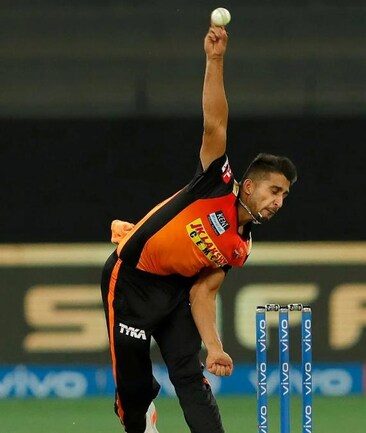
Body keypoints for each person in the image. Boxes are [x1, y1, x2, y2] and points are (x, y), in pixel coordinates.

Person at [100, 24, 297, 433]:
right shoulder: (216, 184)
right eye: (274, 191)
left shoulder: (239, 245)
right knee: (134, 393)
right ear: (249, 185)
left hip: (175, 292)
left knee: (189, 375)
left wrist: (215, 346)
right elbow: (214, 124)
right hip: (131, 281)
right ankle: (141, 415)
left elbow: (203, 293)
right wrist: (215, 60)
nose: (278, 202)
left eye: (284, 196)